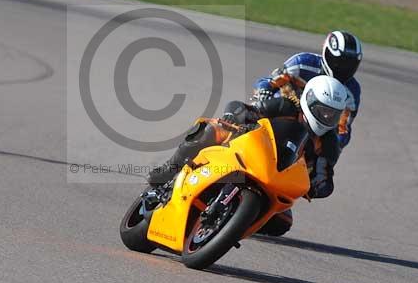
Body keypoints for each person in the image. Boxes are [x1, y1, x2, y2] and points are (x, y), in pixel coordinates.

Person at [145, 76, 349, 231]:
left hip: (274, 177)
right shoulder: (286, 106)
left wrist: (318, 187)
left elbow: (325, 173)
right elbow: (246, 109)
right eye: (323, 110)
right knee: (212, 129)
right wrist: (235, 118)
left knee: (283, 222)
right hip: (246, 151)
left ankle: (232, 223)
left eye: (333, 114)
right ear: (310, 100)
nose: (327, 117)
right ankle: (170, 170)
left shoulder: (329, 142)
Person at [252, 31, 362, 151]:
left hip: (316, 131)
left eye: (350, 65)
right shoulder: (302, 63)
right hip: (284, 114)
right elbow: (269, 82)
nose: (344, 69)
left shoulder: (352, 91)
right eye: (340, 62)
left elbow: (343, 128)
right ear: (328, 53)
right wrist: (263, 93)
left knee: (329, 149)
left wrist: (333, 146)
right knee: (260, 110)